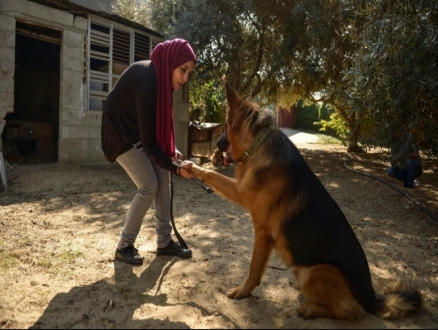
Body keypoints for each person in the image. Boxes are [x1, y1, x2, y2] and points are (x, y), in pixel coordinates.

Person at [101, 38, 196, 265]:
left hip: (135, 133)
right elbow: (151, 145)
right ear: (171, 61)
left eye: (189, 73)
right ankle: (124, 246)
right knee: (148, 185)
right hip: (118, 135)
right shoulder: (148, 81)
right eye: (183, 70)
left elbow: (155, 132)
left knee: (163, 177)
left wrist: (171, 152)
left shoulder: (161, 80)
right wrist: (176, 167)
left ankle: (164, 242)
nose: (185, 78)